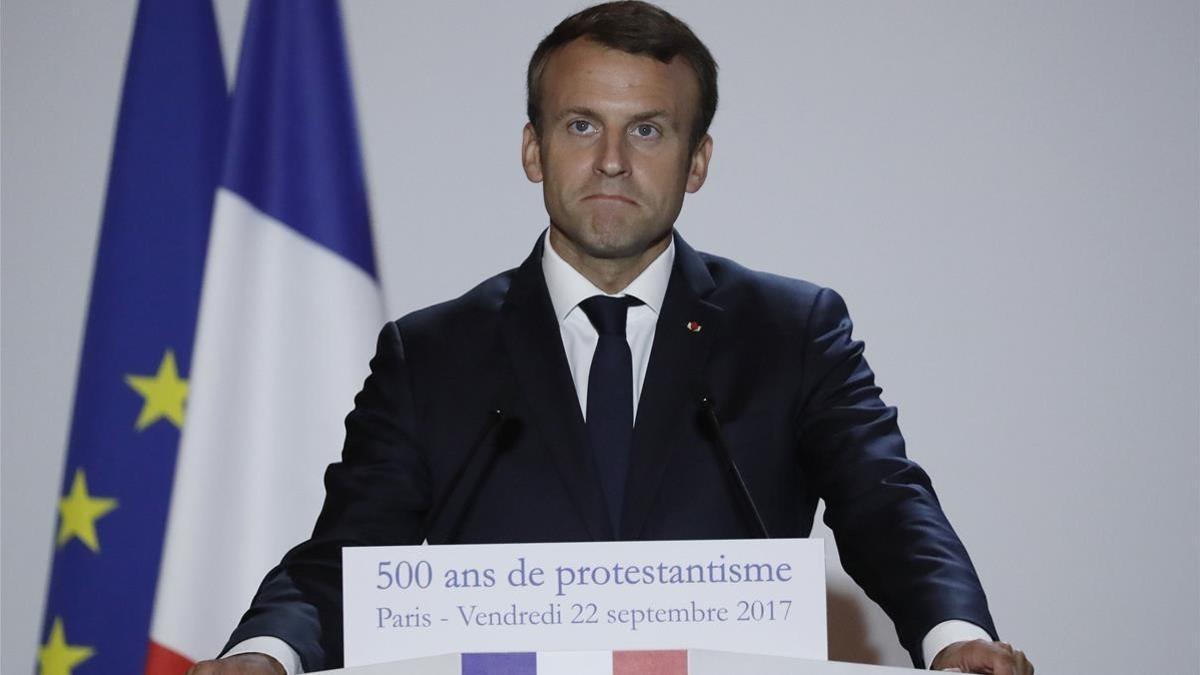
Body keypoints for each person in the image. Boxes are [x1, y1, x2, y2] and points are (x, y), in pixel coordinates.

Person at [190, 3, 1033, 674]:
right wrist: (264, 653)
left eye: (650, 130)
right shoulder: (432, 355)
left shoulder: (793, 332)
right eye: (582, 125)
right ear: (534, 148)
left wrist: (953, 633)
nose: (614, 162)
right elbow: (341, 558)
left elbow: (885, 502)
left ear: (697, 161)